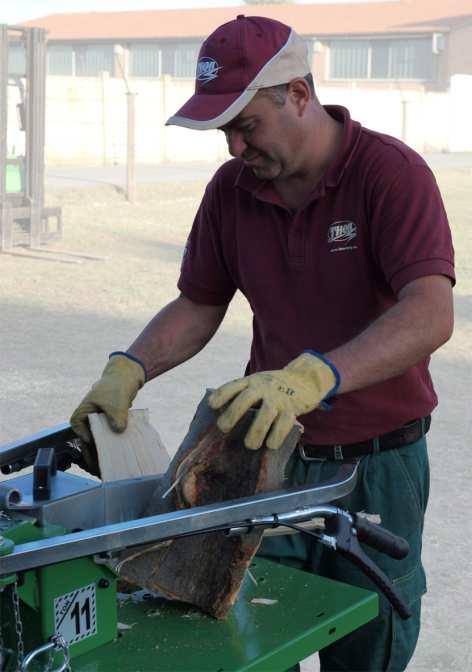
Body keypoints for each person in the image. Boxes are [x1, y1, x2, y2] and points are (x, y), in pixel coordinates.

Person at [70, 15, 454, 672]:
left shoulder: (389, 174)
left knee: (370, 634)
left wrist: (313, 377)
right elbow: (199, 301)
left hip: (375, 470)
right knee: (244, 634)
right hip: (262, 459)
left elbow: (430, 313)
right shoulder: (232, 191)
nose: (233, 148)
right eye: (225, 131)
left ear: (299, 95)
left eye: (245, 126)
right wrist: (129, 368)